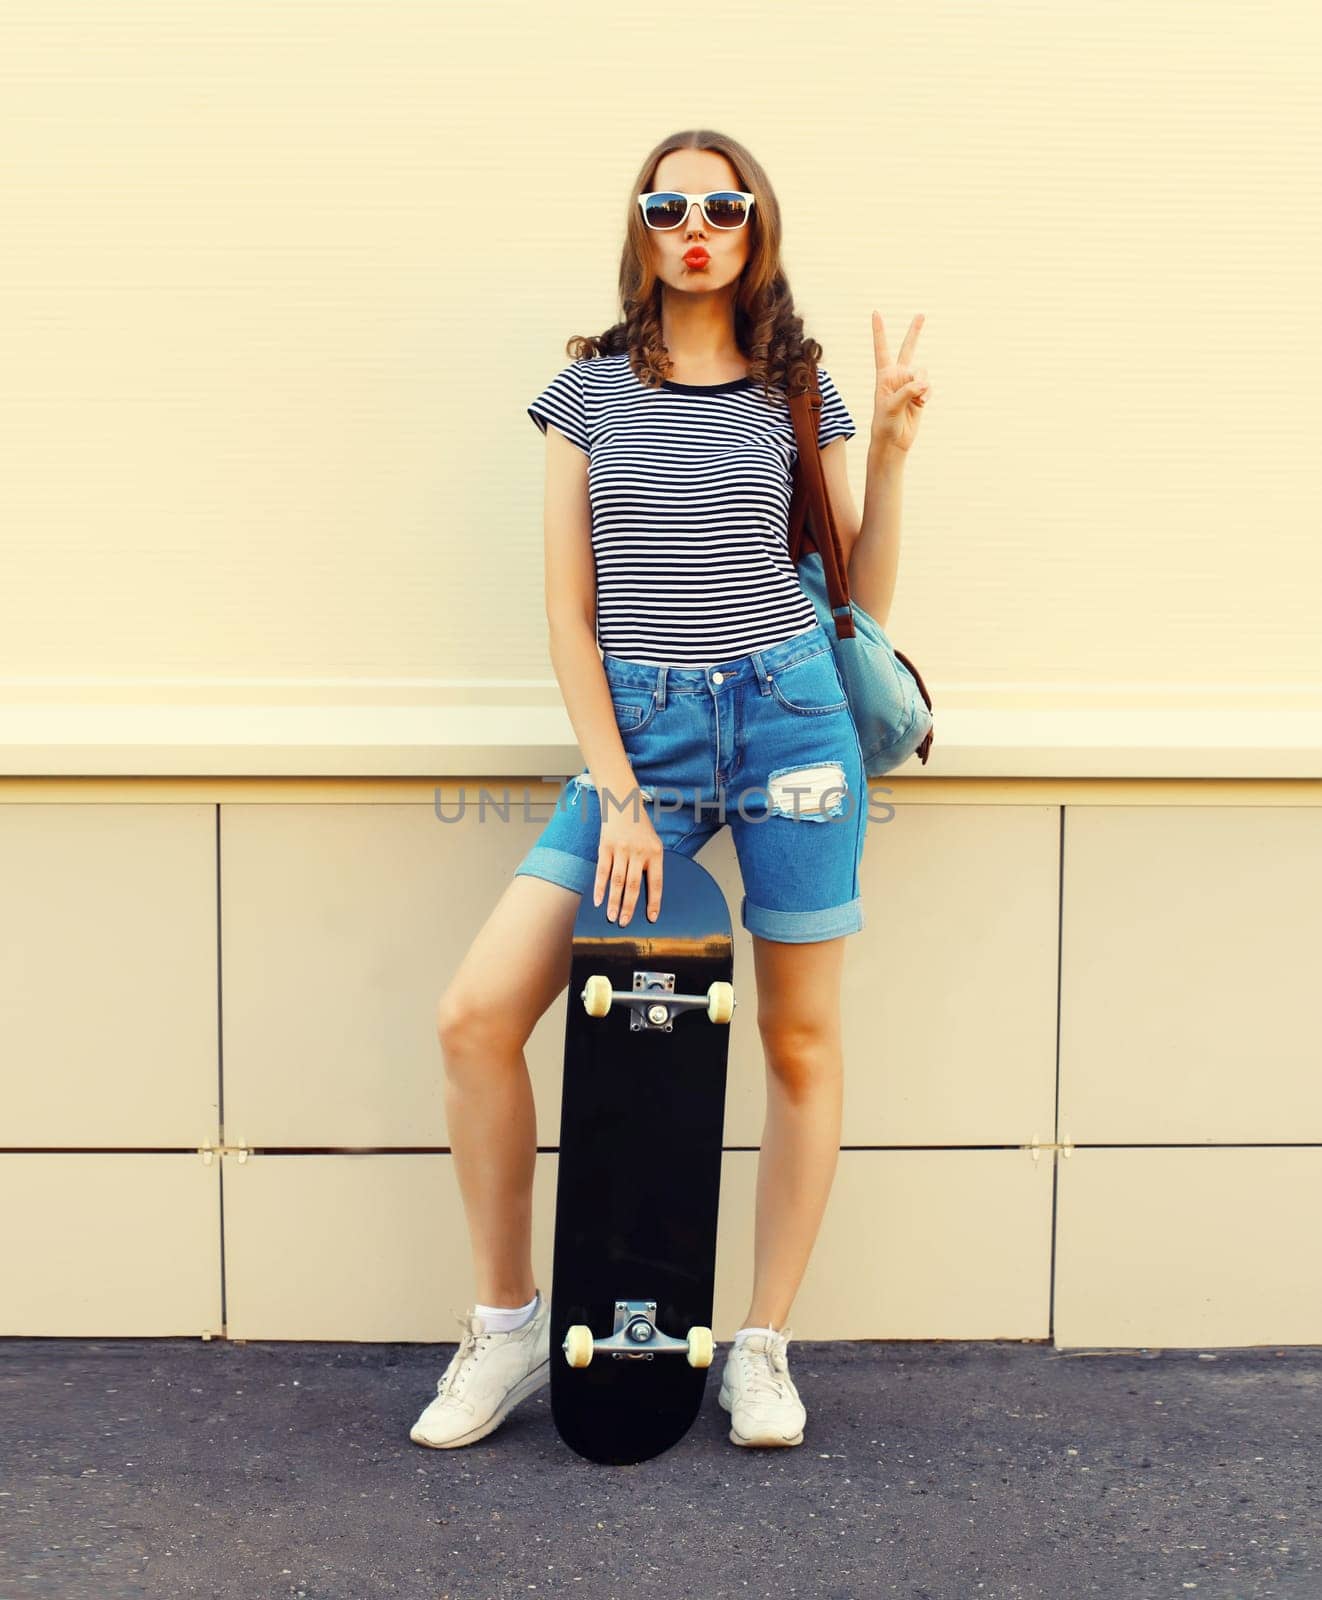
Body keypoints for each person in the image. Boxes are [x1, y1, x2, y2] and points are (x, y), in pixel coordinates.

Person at [411, 128, 930, 1452]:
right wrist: (621, 795)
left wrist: (898, 452)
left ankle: (760, 1346)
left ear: (756, 225)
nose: (695, 224)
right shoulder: (581, 393)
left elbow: (858, 605)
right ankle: (508, 1326)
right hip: (638, 737)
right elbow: (568, 619)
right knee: (476, 1015)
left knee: (798, 1039)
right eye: (667, 205)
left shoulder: (795, 389)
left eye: (722, 204)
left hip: (793, 729)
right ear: (639, 229)